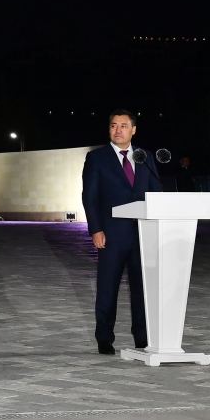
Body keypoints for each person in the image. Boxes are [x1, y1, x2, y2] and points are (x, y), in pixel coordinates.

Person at [81, 109, 162, 355]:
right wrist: (95, 228)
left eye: (124, 126)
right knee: (107, 288)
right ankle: (104, 338)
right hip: (112, 235)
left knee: (143, 290)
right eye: (113, 126)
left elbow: (156, 193)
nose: (118, 130)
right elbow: (90, 196)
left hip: (143, 235)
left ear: (133, 130)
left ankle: (142, 338)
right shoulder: (97, 158)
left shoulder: (145, 157)